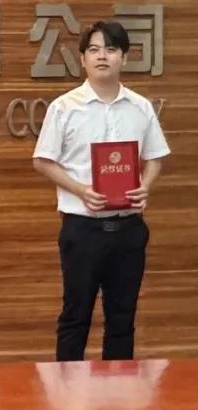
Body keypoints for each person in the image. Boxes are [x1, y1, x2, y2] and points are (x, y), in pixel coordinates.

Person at [33, 21, 170, 361]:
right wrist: (81, 190)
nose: (102, 56)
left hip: (129, 228)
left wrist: (145, 185)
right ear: (82, 59)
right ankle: (67, 391)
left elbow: (155, 157)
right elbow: (43, 160)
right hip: (83, 229)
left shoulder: (140, 106)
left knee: (122, 319)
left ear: (124, 57)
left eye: (110, 49)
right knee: (75, 316)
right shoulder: (64, 107)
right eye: (93, 50)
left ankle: (119, 391)